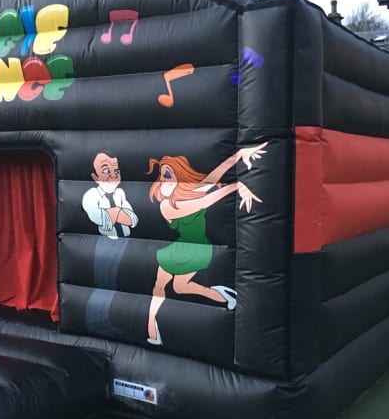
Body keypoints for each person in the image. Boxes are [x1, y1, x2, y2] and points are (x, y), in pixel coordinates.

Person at [145, 143, 267, 346]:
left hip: (193, 249)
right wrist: (235, 186)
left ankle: (152, 326)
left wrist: (239, 155)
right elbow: (204, 201)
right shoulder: (167, 205)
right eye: (162, 175)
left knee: (168, 286)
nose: (163, 180)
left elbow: (213, 178)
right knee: (174, 287)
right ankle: (224, 297)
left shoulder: (188, 194)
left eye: (167, 175)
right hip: (188, 248)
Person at [81, 151, 138, 335]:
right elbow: (100, 217)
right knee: (103, 284)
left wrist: (115, 214)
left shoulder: (120, 193)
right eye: (106, 170)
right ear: (95, 176)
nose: (113, 175)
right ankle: (95, 320)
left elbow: (132, 219)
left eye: (116, 170)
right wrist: (117, 214)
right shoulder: (91, 195)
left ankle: (108, 319)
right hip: (106, 243)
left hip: (124, 242)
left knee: (116, 283)